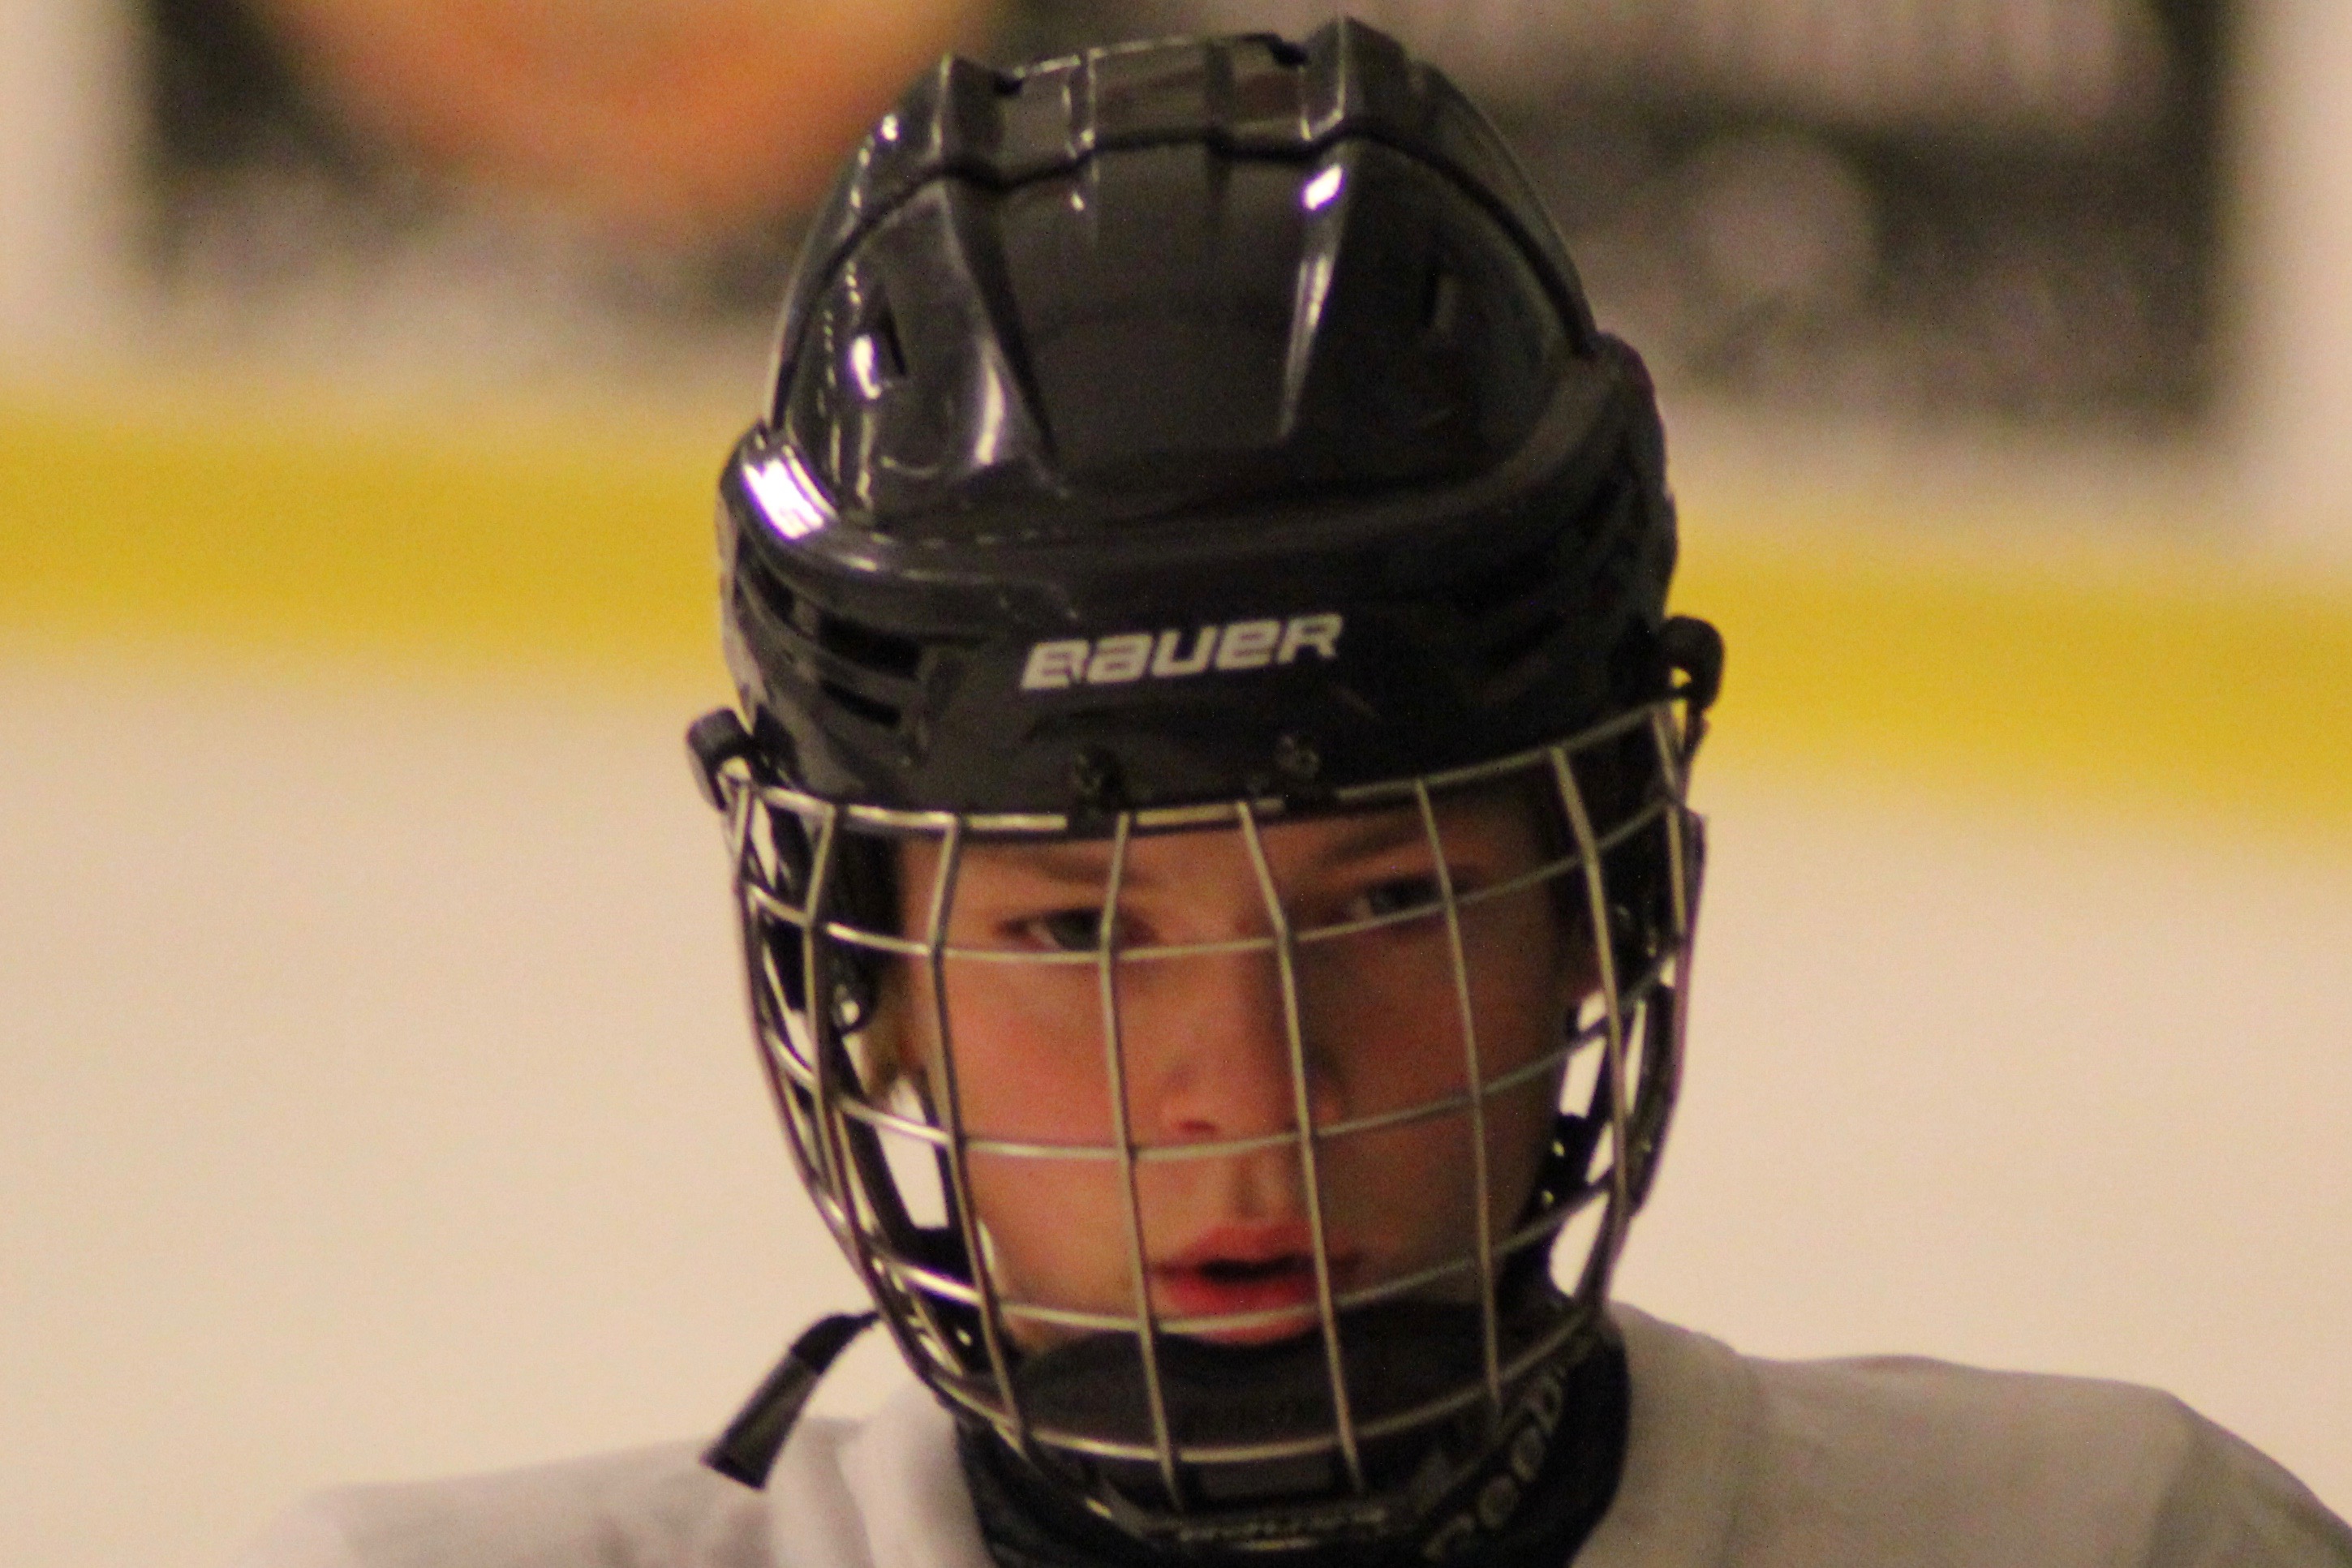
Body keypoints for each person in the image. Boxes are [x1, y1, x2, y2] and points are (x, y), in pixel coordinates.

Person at [239, 20, 2352, 1568]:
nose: (1243, 1097)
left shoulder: (2123, 1550)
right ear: (855, 983)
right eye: (1076, 930)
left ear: (1607, 903)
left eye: (1384, 901)